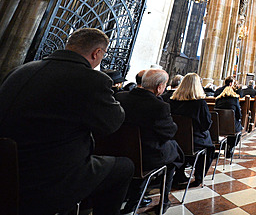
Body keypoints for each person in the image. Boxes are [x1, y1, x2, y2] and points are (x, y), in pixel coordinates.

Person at [0, 28, 133, 215]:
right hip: (44, 180)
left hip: (6, 172)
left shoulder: (20, 70)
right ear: (97, 53)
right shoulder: (92, 80)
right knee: (124, 167)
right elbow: (112, 123)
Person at [116, 69, 184, 213]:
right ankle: (164, 200)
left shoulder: (120, 97)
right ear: (159, 87)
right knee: (174, 151)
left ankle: (134, 198)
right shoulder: (159, 106)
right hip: (147, 157)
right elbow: (169, 133)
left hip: (118, 150)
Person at [169, 73, 215, 187]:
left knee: (185, 142)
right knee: (209, 147)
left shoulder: (172, 101)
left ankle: (179, 174)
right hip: (194, 142)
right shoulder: (200, 103)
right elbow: (206, 125)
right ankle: (199, 177)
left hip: (174, 140)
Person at [214, 81, 243, 157]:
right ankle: (230, 146)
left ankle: (224, 145)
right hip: (231, 126)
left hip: (219, 126)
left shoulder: (218, 100)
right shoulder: (235, 100)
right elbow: (239, 115)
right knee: (238, 129)